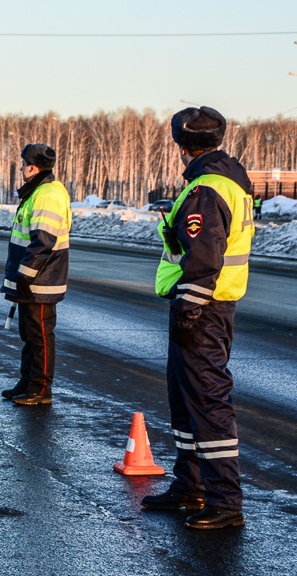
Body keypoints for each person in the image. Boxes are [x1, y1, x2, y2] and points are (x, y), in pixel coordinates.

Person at [140, 106, 254, 530]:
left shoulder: (207, 188)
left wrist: (188, 307)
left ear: (180, 145)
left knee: (207, 403)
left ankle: (225, 500)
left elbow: (204, 257)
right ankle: (191, 486)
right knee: (186, 400)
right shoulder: (226, 182)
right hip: (208, 306)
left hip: (203, 309)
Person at [0, 144, 72, 406]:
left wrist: (25, 274)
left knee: (40, 336)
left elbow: (43, 240)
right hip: (34, 280)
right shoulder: (38, 192)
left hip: (40, 281)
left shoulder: (46, 194)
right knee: (30, 335)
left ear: (32, 166)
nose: (21, 168)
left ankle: (40, 389)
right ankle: (27, 382)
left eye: (22, 164)